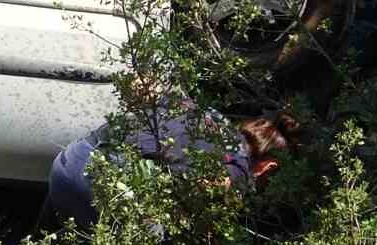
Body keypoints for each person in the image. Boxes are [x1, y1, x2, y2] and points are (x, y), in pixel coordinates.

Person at [44, 98, 298, 230]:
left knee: (43, 238)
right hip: (98, 188)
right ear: (268, 166)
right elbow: (202, 199)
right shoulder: (238, 168)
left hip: (69, 161)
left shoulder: (203, 111)